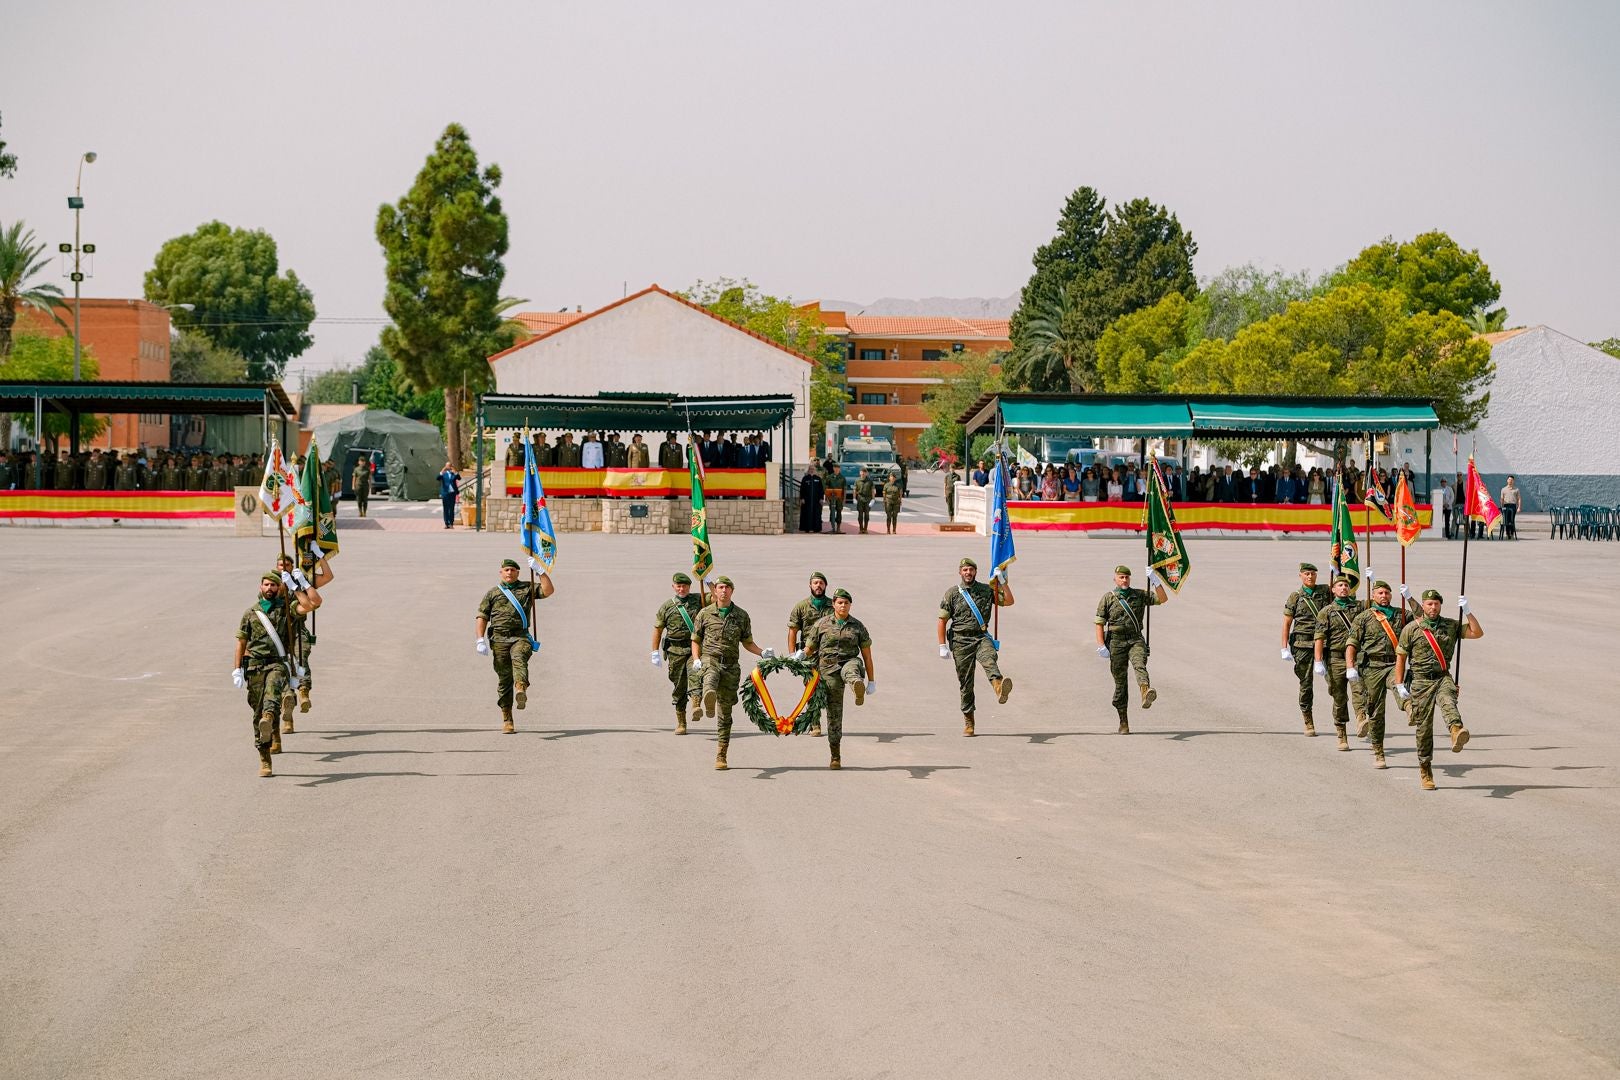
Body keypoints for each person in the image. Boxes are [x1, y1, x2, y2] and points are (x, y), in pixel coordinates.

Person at [1393, 589, 1483, 790]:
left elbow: (1477, 633)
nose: (1433, 607)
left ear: (1440, 605)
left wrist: (1467, 611)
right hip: (1421, 681)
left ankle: (1456, 731)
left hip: (1442, 677)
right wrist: (1399, 684)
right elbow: (1401, 656)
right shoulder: (1411, 629)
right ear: (1423, 606)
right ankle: (1425, 769)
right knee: (1424, 728)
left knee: (1448, 701)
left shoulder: (1450, 625)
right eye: (1429, 604)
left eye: (1436, 604)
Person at [233, 572, 318, 777]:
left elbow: (309, 606)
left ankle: (269, 715)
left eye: (273, 585)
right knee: (257, 712)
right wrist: (237, 669)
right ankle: (265, 757)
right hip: (254, 667)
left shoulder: (286, 609)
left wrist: (296, 587)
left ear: (279, 588)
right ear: (260, 587)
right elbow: (241, 642)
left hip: (277, 663)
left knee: (271, 696)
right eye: (266, 584)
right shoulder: (250, 613)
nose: (269, 588)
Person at [691, 576, 770, 770]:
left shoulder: (741, 615)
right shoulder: (705, 613)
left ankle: (721, 754)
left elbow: (747, 642)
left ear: (732, 591)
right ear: (715, 591)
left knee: (725, 714)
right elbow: (695, 639)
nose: (723, 591)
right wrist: (696, 659)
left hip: (731, 667)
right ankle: (709, 694)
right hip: (710, 658)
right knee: (710, 676)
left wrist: (762, 652)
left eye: (727, 587)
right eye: (720, 587)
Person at [475, 557, 554, 733]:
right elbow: (482, 616)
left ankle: (520, 688)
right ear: (501, 573)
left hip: (521, 637)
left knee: (519, 657)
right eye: (506, 570)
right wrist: (479, 639)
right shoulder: (493, 593)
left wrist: (541, 572)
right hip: (499, 640)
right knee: (504, 680)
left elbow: (548, 591)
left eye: (512, 570)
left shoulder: (527, 588)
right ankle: (507, 719)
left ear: (518, 572)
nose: (509, 572)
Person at [937, 557, 1014, 736]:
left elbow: (1009, 601)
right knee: (966, 683)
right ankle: (969, 721)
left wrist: (1002, 582)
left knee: (990, 660)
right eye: (965, 570)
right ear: (960, 572)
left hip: (981, 638)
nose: (968, 573)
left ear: (976, 572)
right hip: (960, 642)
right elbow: (942, 620)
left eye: (971, 570)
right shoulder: (952, 594)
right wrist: (942, 645)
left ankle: (999, 688)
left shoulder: (986, 590)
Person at [802, 588, 875, 770]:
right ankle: (835, 756)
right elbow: (809, 648)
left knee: (852, 670)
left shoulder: (857, 626)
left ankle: (856, 685)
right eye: (840, 602)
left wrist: (871, 681)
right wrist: (798, 657)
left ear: (850, 605)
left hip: (849, 661)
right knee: (834, 712)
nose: (843, 606)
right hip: (828, 669)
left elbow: (867, 656)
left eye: (846, 603)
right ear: (833, 604)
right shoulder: (821, 624)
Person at [1095, 565, 1166, 734]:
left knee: (1139, 663)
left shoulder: (1140, 595)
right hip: (1116, 642)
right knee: (1120, 684)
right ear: (1115, 579)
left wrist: (1156, 580)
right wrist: (1101, 645)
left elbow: (1162, 599)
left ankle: (1145, 691)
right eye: (1121, 577)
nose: (1124, 580)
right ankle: (1123, 721)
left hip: (1135, 639)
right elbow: (1099, 622)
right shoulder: (1108, 598)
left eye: (1127, 577)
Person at [1345, 580, 1404, 769]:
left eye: (1387, 592)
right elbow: (1352, 644)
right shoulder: (1363, 617)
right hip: (1372, 668)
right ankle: (1379, 751)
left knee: (1399, 686)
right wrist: (1350, 666)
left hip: (1394, 664)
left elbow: (1422, 618)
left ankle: (1409, 709)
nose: (1384, 596)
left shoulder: (1401, 615)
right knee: (1377, 712)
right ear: (1373, 596)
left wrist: (1409, 598)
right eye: (1380, 593)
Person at [273, 552, 330, 723]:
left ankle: (304, 690)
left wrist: (320, 556)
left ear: (293, 566)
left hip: (298, 627)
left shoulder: (300, 579)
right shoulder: (271, 582)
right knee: (282, 670)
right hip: (279, 631)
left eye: (288, 565)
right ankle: (287, 715)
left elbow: (327, 577)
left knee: (301, 655)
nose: (285, 568)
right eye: (281, 565)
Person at [1312, 576, 1366, 751]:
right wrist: (1318, 661)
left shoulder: (1358, 608)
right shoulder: (1326, 611)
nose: (1343, 588)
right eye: (1339, 585)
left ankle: (1361, 719)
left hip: (1355, 658)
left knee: (1359, 690)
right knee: (1339, 697)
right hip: (1335, 659)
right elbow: (1319, 637)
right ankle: (1341, 734)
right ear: (1333, 590)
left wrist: (1370, 579)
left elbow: (1376, 605)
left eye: (1346, 585)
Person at [1280, 562, 1329, 736]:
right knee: (1306, 684)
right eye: (1307, 574)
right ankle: (1308, 719)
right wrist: (1284, 647)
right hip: (1303, 644)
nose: (1310, 577)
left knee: (1335, 682)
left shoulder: (1325, 591)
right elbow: (1287, 623)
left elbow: (1343, 594)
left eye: (1313, 574)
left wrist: (1338, 570)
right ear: (1300, 576)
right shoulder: (1295, 597)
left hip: (1324, 643)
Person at [651, 572, 703, 733]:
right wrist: (655, 652)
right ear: (673, 587)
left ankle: (696, 705)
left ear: (689, 586)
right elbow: (658, 630)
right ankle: (681, 723)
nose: (682, 589)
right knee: (679, 686)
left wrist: (706, 579)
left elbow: (716, 597)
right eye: (679, 586)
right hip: (674, 651)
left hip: (693, 648)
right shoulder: (666, 607)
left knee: (695, 676)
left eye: (685, 586)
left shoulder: (698, 600)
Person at [785, 571, 834, 737]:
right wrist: (792, 655)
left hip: (830, 653)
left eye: (821, 583)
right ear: (810, 586)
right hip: (808, 653)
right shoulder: (801, 607)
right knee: (812, 687)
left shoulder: (833, 605)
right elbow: (792, 631)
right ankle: (815, 723)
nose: (818, 586)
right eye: (815, 583)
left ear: (825, 585)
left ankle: (832, 723)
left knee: (829, 687)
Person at [798, 461, 825, 533]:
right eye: (810, 469)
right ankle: (807, 528)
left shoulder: (818, 479)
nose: (812, 470)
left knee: (816, 514)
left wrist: (821, 498)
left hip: (816, 501)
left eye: (813, 469)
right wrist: (802, 498)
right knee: (806, 514)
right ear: (808, 469)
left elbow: (821, 490)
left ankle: (816, 528)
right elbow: (802, 489)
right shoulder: (805, 478)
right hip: (807, 501)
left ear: (815, 470)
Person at [824, 461, 846, 533]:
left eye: (838, 468)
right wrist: (826, 497)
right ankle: (832, 528)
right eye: (835, 468)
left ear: (840, 469)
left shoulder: (842, 478)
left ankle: (838, 528)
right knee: (832, 512)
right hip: (831, 498)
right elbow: (826, 488)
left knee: (839, 512)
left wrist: (844, 499)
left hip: (839, 499)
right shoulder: (829, 477)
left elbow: (844, 489)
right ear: (833, 468)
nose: (836, 469)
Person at [853, 467, 875, 534]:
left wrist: (873, 499)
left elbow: (872, 490)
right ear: (860, 473)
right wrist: (854, 498)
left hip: (868, 499)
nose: (863, 473)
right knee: (860, 515)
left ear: (866, 473)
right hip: (860, 498)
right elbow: (854, 490)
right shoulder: (857, 481)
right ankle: (860, 528)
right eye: (862, 472)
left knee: (867, 515)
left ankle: (865, 529)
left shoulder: (870, 481)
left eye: (864, 472)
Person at [882, 469, 904, 534]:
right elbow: (884, 493)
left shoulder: (898, 485)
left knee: (895, 516)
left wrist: (900, 500)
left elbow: (900, 493)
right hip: (888, 501)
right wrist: (884, 501)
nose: (892, 478)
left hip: (896, 502)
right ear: (889, 478)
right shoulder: (886, 485)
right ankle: (888, 530)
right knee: (888, 516)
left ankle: (894, 530)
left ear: (895, 478)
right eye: (891, 477)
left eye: (894, 477)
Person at [438, 462, 459, 528]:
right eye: (447, 466)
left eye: (450, 466)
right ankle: (446, 523)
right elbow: (438, 478)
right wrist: (442, 470)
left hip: (452, 494)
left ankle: (451, 524)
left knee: (451, 509)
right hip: (445, 494)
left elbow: (459, 478)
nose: (448, 467)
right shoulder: (444, 474)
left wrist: (454, 470)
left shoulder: (453, 474)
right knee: (446, 509)